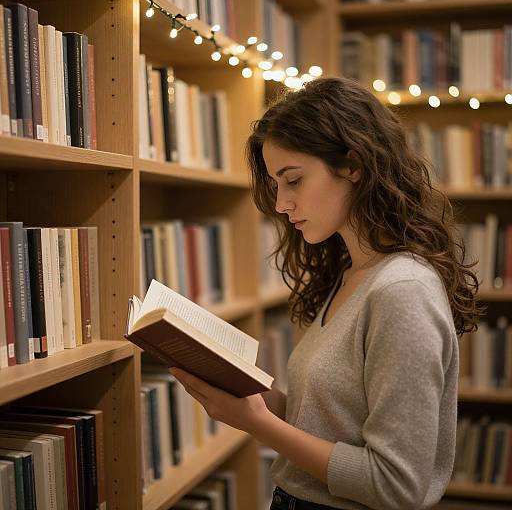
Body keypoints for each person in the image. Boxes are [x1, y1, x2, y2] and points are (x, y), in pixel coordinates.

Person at [170, 77, 482, 510]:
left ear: (353, 166)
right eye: (277, 184)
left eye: (293, 180)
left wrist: (258, 425)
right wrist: (254, 399)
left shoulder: (402, 290)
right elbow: (331, 426)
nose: (281, 204)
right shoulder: (351, 273)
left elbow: (396, 486)